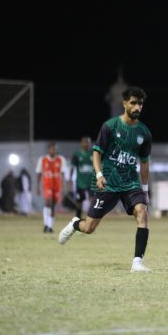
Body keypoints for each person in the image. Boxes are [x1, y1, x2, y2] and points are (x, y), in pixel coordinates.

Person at [58, 87, 153, 273]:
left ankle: (137, 263)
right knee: (89, 228)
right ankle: (75, 224)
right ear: (124, 103)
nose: (137, 107)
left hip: (130, 182)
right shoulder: (110, 126)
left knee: (142, 213)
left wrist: (145, 190)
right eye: (133, 103)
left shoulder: (144, 133)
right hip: (108, 182)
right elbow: (97, 153)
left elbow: (144, 163)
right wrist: (99, 175)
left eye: (140, 104)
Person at [36, 142, 66, 233]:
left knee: (53, 206)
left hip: (57, 186)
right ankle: (48, 226)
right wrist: (37, 186)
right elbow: (39, 173)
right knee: (49, 203)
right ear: (48, 150)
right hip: (47, 185)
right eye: (52, 149)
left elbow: (63, 174)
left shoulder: (61, 159)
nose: (53, 150)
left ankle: (48, 225)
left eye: (55, 149)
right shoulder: (42, 159)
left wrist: (63, 186)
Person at [69, 136, 94, 219]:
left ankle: (90, 218)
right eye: (84, 142)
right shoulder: (76, 155)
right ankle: (77, 219)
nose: (86, 144)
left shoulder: (93, 153)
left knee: (92, 201)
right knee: (79, 202)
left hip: (91, 182)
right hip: (80, 182)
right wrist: (70, 179)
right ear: (81, 143)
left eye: (87, 142)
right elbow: (72, 168)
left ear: (89, 143)